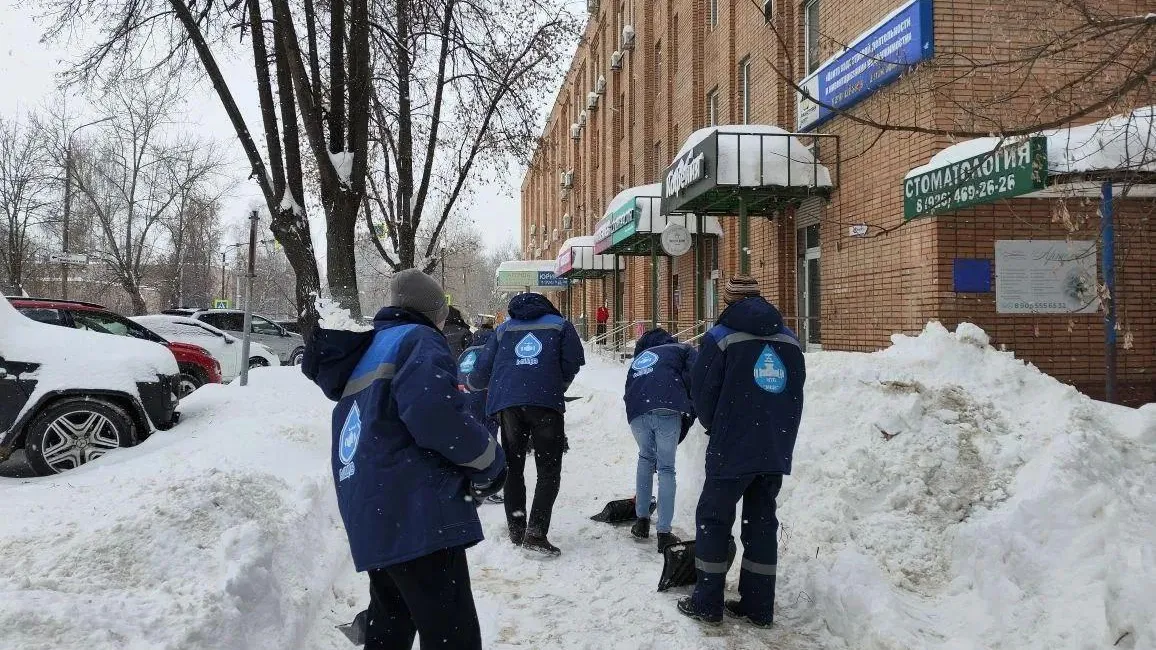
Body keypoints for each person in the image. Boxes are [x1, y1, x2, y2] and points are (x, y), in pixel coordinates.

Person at [303, 269, 506, 649]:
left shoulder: (372, 347)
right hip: (416, 513)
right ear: (433, 312)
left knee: (390, 626)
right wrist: (489, 461)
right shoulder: (419, 339)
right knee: (452, 634)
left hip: (374, 511)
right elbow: (436, 416)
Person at [676, 275, 806, 629]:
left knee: (714, 518)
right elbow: (796, 389)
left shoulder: (720, 337)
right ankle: (758, 606)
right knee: (762, 522)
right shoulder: (789, 338)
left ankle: (707, 603)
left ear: (729, 300)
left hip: (732, 444)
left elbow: (702, 390)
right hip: (774, 444)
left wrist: (715, 425)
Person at [468, 292, 585, 556]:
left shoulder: (503, 329)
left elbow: (481, 370)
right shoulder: (560, 325)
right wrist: (558, 382)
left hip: (509, 406)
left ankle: (517, 527)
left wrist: (475, 383)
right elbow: (573, 360)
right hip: (545, 403)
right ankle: (536, 532)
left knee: (513, 466)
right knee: (548, 470)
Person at [623, 327, 696, 552]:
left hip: (637, 411)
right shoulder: (681, 349)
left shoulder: (640, 359)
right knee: (666, 468)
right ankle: (664, 533)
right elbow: (698, 375)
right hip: (667, 409)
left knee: (645, 459)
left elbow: (629, 389)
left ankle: (642, 521)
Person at [458, 320, 502, 504]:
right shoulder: (493, 350)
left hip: (464, 399)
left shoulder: (466, 352)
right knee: (488, 443)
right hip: (484, 398)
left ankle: (466, 483)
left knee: (469, 442)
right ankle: (486, 486)